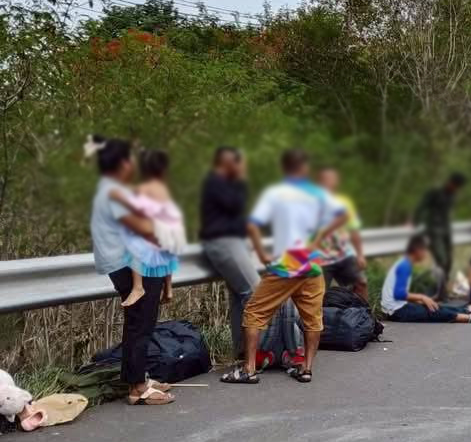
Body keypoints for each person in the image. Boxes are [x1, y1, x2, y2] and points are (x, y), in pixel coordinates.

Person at [222, 149, 346, 385]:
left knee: (254, 312)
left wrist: (261, 253)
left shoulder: (276, 194)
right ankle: (306, 369)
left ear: (285, 168)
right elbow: (341, 215)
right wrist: (320, 237)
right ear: (305, 168)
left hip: (287, 263)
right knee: (312, 319)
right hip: (312, 262)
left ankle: (249, 369)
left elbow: (252, 225)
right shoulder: (317, 193)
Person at [87, 136, 174, 406]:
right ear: (123, 163)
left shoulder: (107, 189)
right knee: (141, 324)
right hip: (130, 264)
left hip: (120, 263)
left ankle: (136, 377)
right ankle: (138, 388)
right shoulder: (116, 193)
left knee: (135, 322)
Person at [200, 146, 260, 362]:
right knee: (254, 293)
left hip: (232, 241)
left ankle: (242, 352)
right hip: (223, 241)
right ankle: (252, 354)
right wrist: (241, 178)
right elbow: (237, 205)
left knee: (240, 295)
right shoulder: (216, 183)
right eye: (236, 161)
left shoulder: (222, 183)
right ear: (226, 162)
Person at [108, 149, 186, 307]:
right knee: (166, 254)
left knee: (133, 242)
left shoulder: (144, 187)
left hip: (157, 232)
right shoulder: (162, 187)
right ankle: (168, 288)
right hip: (169, 232)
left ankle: (138, 287)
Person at [382, 234, 471, 323]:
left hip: (398, 308)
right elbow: (398, 294)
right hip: (397, 312)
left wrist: (422, 301)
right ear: (417, 250)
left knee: (435, 307)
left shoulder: (404, 262)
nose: (426, 254)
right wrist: (422, 297)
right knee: (435, 313)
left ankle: (466, 309)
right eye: (425, 250)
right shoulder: (405, 265)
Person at [316, 166, 369, 302]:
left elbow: (354, 229)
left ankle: (366, 313)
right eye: (326, 179)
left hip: (344, 255)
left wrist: (360, 254)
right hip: (321, 258)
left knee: (361, 283)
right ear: (319, 181)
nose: (330, 182)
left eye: (333, 179)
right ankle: (320, 316)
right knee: (319, 294)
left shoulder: (344, 203)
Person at [414, 172, 467, 285]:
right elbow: (422, 206)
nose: (456, 189)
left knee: (449, 261)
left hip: (446, 229)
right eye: (455, 186)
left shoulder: (452, 195)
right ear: (450, 182)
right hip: (434, 229)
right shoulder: (435, 192)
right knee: (442, 260)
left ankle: (442, 285)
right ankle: (439, 287)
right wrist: (415, 221)